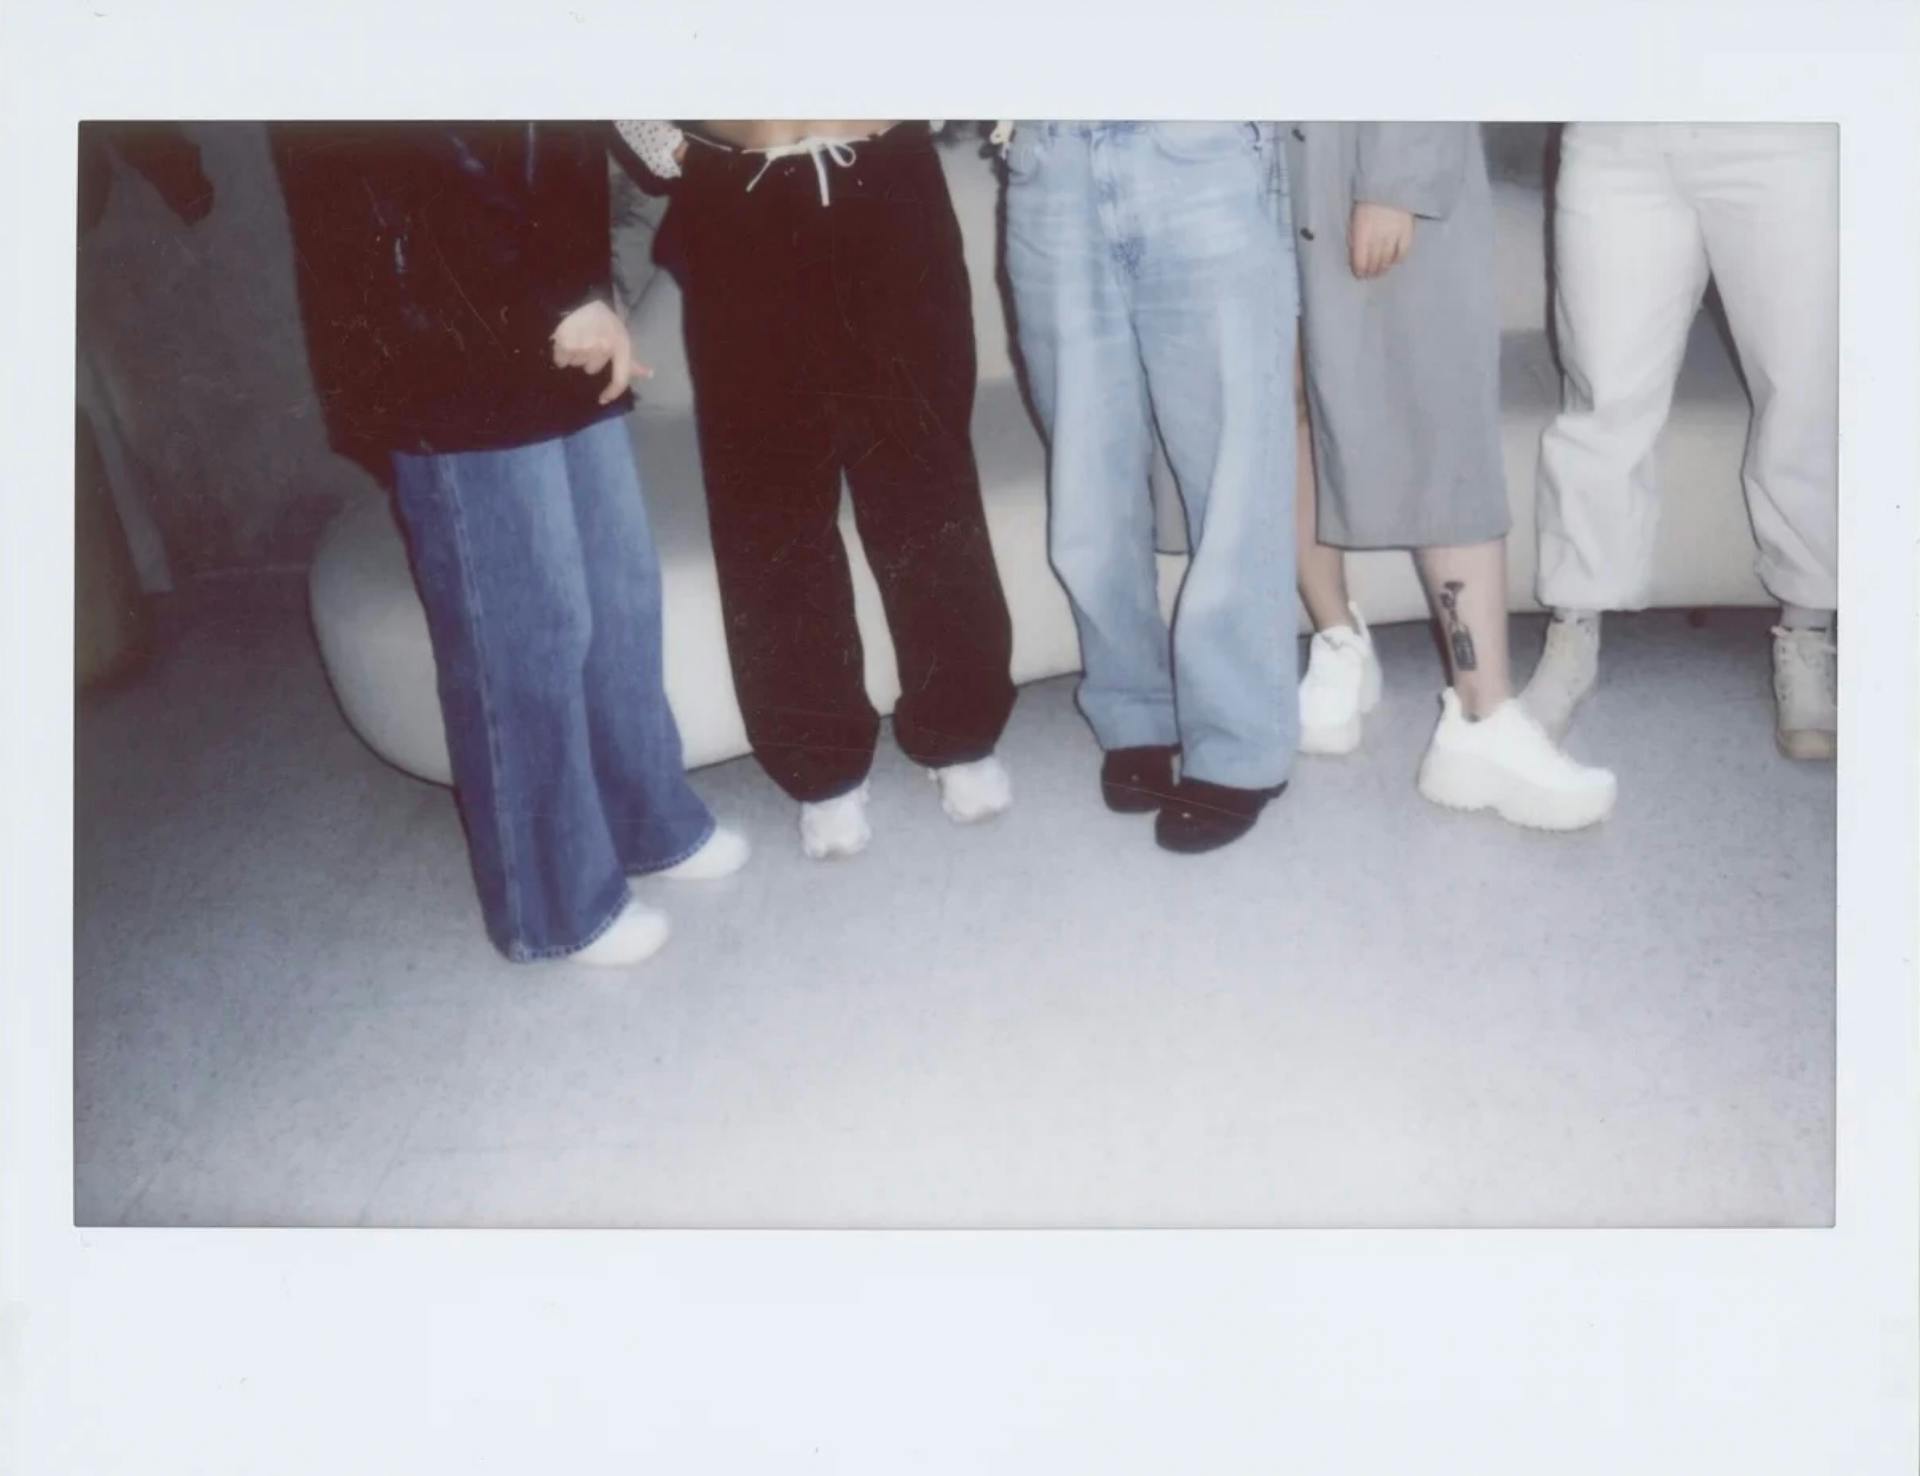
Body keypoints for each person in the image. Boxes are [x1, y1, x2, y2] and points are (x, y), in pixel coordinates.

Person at [271, 123, 745, 968]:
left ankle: (647, 822)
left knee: (615, 587)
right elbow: (417, 150)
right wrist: (559, 292)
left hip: (549, 287)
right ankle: (556, 902)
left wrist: (583, 284)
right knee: (525, 622)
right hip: (445, 319)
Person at [614, 119, 1017, 861]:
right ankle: (819, 762)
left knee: (926, 479)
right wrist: (662, 136)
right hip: (739, 204)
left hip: (887, 192)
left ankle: (959, 728)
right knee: (767, 500)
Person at [1284, 122, 1616, 831]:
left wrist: (1395, 179)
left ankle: (1481, 713)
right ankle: (1338, 635)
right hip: (1254, 158)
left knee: (1439, 419)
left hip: (1369, 144)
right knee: (1288, 403)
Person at [999, 120, 1299, 854]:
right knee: (1086, 482)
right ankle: (1133, 711)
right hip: (1054, 160)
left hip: (1195, 148)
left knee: (1234, 478)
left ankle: (1241, 743)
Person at [1524, 124, 1839, 760]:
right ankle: (1575, 628)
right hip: (1619, 128)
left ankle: (1809, 627)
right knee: (1602, 396)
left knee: (1805, 388)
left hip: (1783, 126)